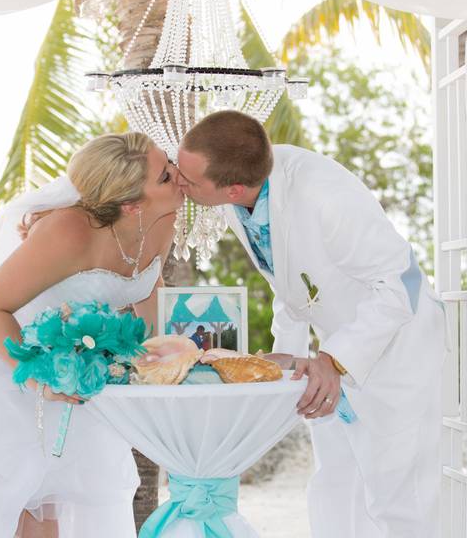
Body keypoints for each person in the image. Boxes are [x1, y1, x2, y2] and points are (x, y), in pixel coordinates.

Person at [176, 111, 448, 537]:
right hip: (331, 356)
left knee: (400, 500)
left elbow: (400, 282)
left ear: (233, 187)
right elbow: (291, 284)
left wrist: (333, 359)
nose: (178, 181)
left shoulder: (323, 195)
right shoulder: (243, 196)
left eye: (189, 180)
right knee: (335, 487)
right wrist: (285, 361)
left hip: (397, 352)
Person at [0, 133, 183, 538]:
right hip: (4, 357)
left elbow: (148, 285)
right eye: (165, 176)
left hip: (77, 368)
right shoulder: (67, 232)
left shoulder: (162, 218)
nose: (178, 175)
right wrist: (36, 377)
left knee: (72, 495)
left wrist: (155, 360)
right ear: (131, 204)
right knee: (19, 503)